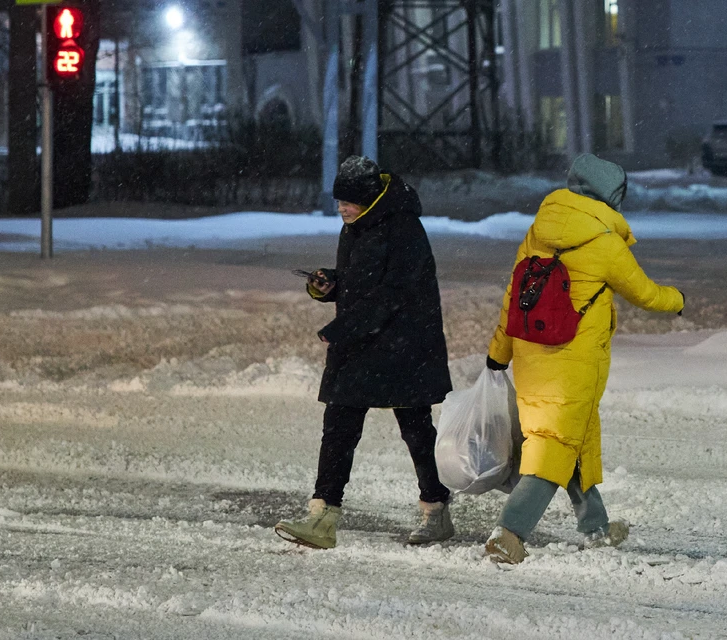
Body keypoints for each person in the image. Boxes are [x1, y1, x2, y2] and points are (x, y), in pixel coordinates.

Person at [483, 153, 685, 564]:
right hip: (572, 362)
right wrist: (677, 299)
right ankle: (509, 533)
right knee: (554, 448)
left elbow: (514, 295)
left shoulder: (538, 232)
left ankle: (596, 526)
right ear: (611, 195)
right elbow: (645, 293)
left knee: (570, 440)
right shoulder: (605, 242)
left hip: (531, 355)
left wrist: (498, 352)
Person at [275, 155, 454, 550]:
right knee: (338, 428)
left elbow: (393, 294)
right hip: (363, 343)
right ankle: (322, 516)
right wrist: (330, 285)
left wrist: (341, 328)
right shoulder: (354, 226)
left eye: (348, 202)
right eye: (339, 202)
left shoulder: (404, 228)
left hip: (404, 344)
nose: (341, 209)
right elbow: (362, 283)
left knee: (416, 431)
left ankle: (436, 509)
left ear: (371, 199)